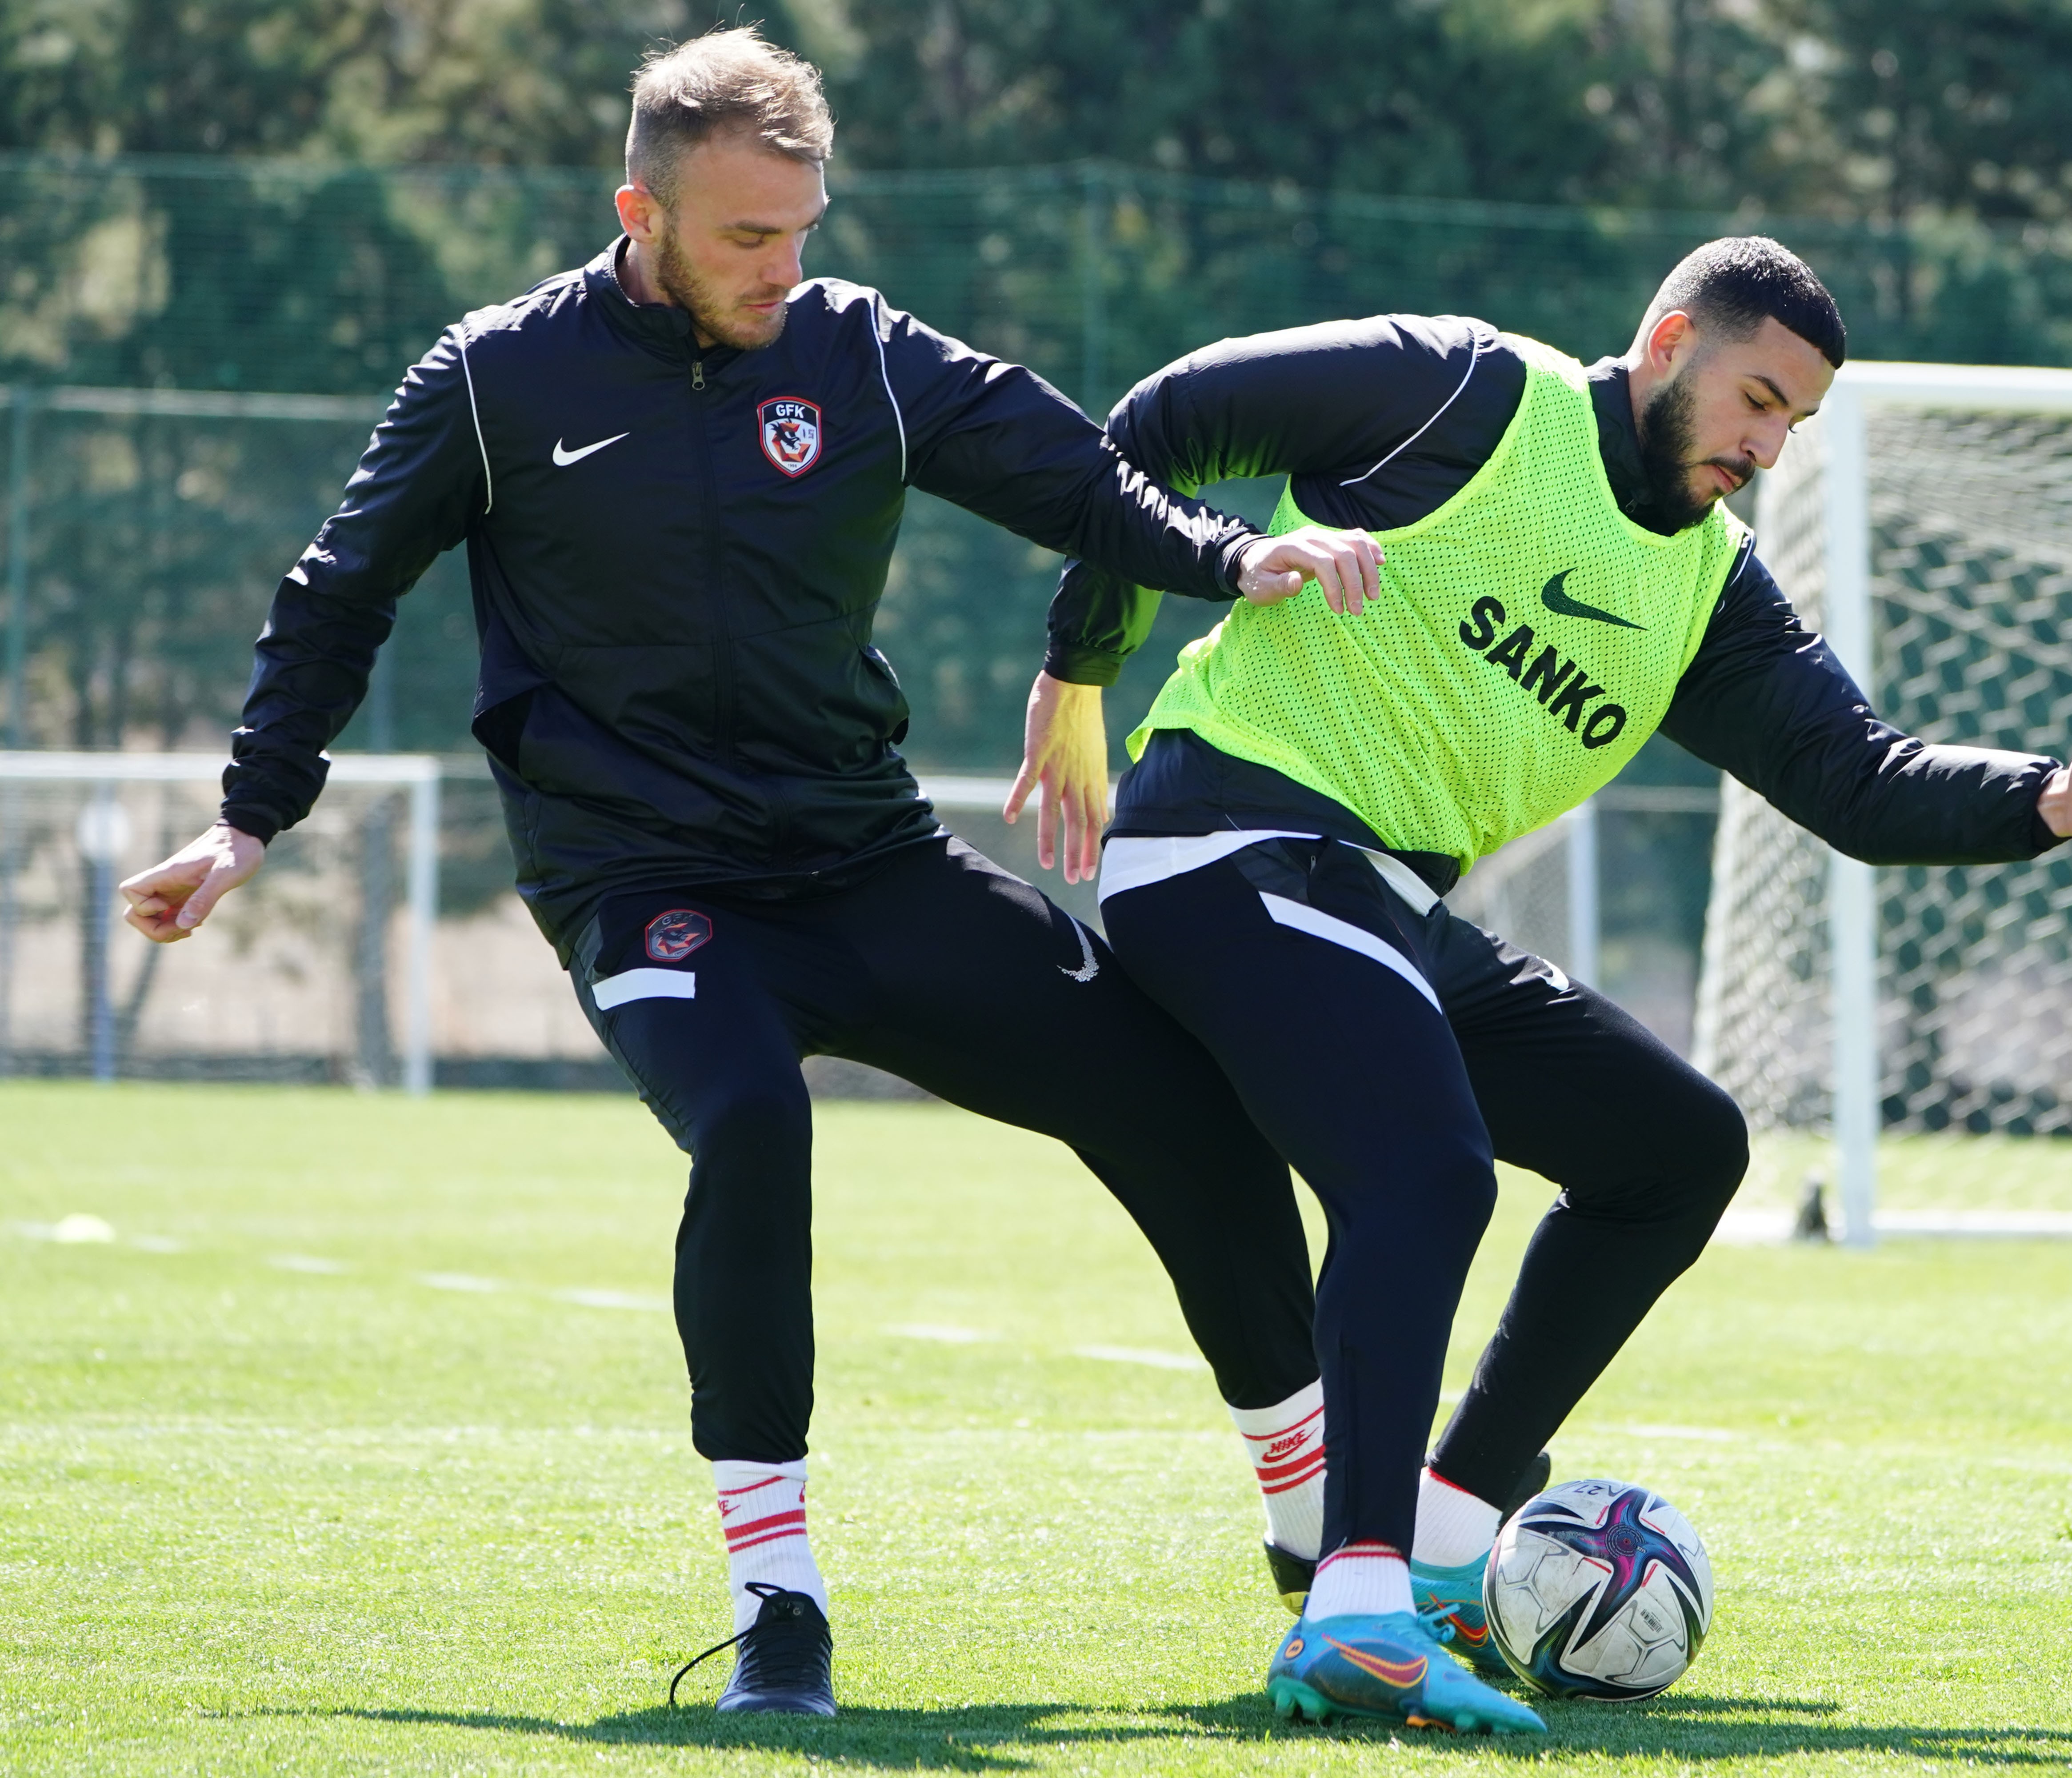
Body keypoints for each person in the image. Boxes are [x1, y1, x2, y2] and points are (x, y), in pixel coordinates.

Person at [113, 27, 1384, 1721]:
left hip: (863, 860)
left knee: (1180, 1098)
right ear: (638, 209)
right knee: (755, 1125)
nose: (786, 269)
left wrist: (1235, 555)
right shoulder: (498, 377)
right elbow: (338, 592)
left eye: (804, 229)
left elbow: (1060, 467)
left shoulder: (852, 348)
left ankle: (1312, 1538)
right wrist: (250, 817)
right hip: (642, 882)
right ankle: (779, 1602)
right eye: (744, 237)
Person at [1020, 237, 2072, 1734]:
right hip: (1229, 845)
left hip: (1387, 907)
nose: (1767, 448)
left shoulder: (1711, 591)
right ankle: (1357, 1610)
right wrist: (1082, 669)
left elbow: (1859, 781)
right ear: (1669, 339)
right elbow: (1160, 419)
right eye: (1757, 399)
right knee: (1428, 1171)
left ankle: (1449, 1543)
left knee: (1675, 1151)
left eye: (1795, 426)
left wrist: (2045, 798)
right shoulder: (1460, 391)